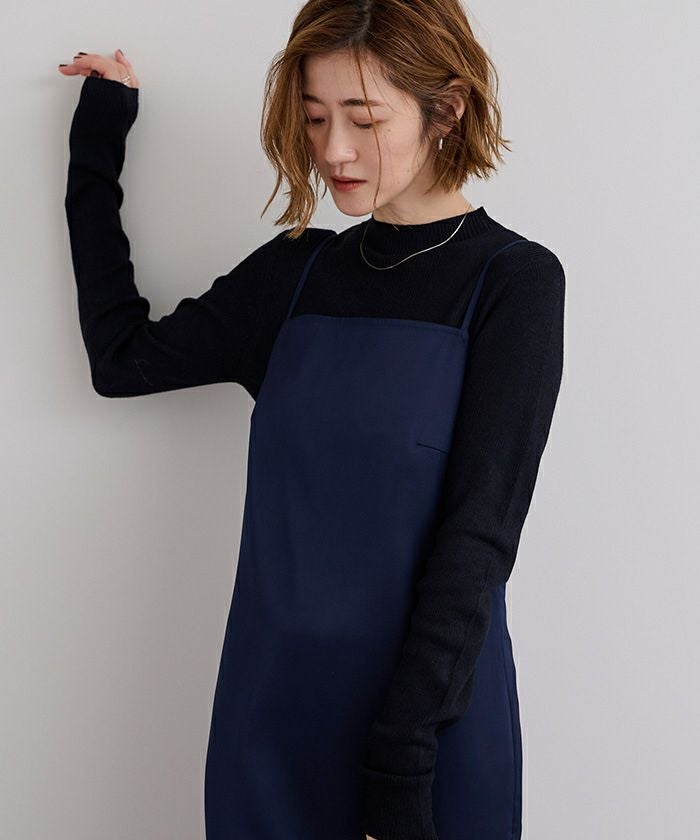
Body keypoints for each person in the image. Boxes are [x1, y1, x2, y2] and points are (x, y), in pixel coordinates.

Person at [59, 3, 565, 839]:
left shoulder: (513, 283)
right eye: (315, 116)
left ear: (447, 109)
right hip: (269, 725)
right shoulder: (295, 275)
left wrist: (400, 765)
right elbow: (120, 359)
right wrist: (99, 136)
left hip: (422, 736)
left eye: (363, 119)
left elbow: (478, 543)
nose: (332, 151)